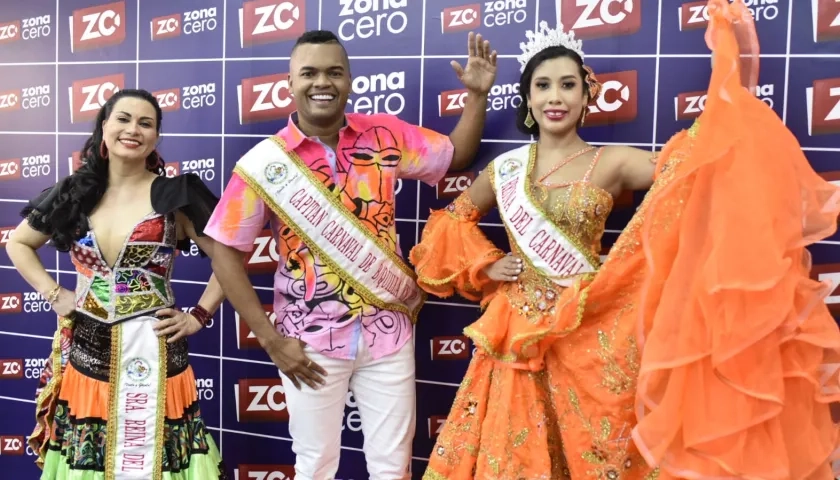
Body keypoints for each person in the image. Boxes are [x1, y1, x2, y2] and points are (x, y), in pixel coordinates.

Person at [412, 0, 840, 478]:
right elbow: (449, 223)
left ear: (586, 95)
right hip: (517, 333)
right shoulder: (505, 168)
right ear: (528, 100)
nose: (556, 96)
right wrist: (486, 266)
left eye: (568, 85)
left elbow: (686, 172)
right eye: (543, 86)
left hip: (590, 328)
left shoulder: (612, 161)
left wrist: (725, 91)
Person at [204, 29, 497, 479]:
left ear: (350, 80)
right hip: (307, 342)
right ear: (290, 84)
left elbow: (454, 156)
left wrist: (476, 95)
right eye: (310, 73)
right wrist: (269, 339)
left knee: (392, 467)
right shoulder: (266, 163)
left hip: (389, 334)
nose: (322, 82)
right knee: (316, 464)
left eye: (334, 72)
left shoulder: (384, 135)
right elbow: (225, 252)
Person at [7, 89, 228, 479]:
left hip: (158, 354)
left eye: (146, 123)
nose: (133, 129)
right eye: (123, 119)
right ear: (104, 127)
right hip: (89, 357)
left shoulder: (177, 194)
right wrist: (55, 294)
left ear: (156, 137)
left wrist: (199, 314)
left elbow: (230, 259)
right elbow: (19, 242)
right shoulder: (75, 192)